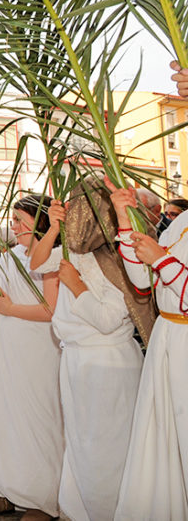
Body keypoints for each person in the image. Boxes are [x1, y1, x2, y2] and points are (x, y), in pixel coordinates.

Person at [28, 180, 149, 520]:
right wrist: (51, 229)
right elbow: (36, 263)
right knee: (81, 445)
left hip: (107, 364)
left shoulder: (116, 258)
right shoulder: (74, 253)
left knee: (105, 451)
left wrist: (76, 285)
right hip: (77, 361)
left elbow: (110, 319)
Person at [0, 195, 63, 519]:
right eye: (13, 219)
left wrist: (11, 310)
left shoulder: (55, 256)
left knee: (37, 421)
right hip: (6, 353)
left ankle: (40, 498)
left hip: (38, 351)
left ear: (40, 221)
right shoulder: (11, 255)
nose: (14, 226)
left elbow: (52, 311)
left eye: (20, 219)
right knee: (4, 420)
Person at [110, 181, 188, 519]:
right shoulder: (183, 224)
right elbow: (143, 280)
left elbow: (165, 268)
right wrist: (124, 222)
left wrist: (161, 259)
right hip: (167, 339)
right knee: (163, 445)